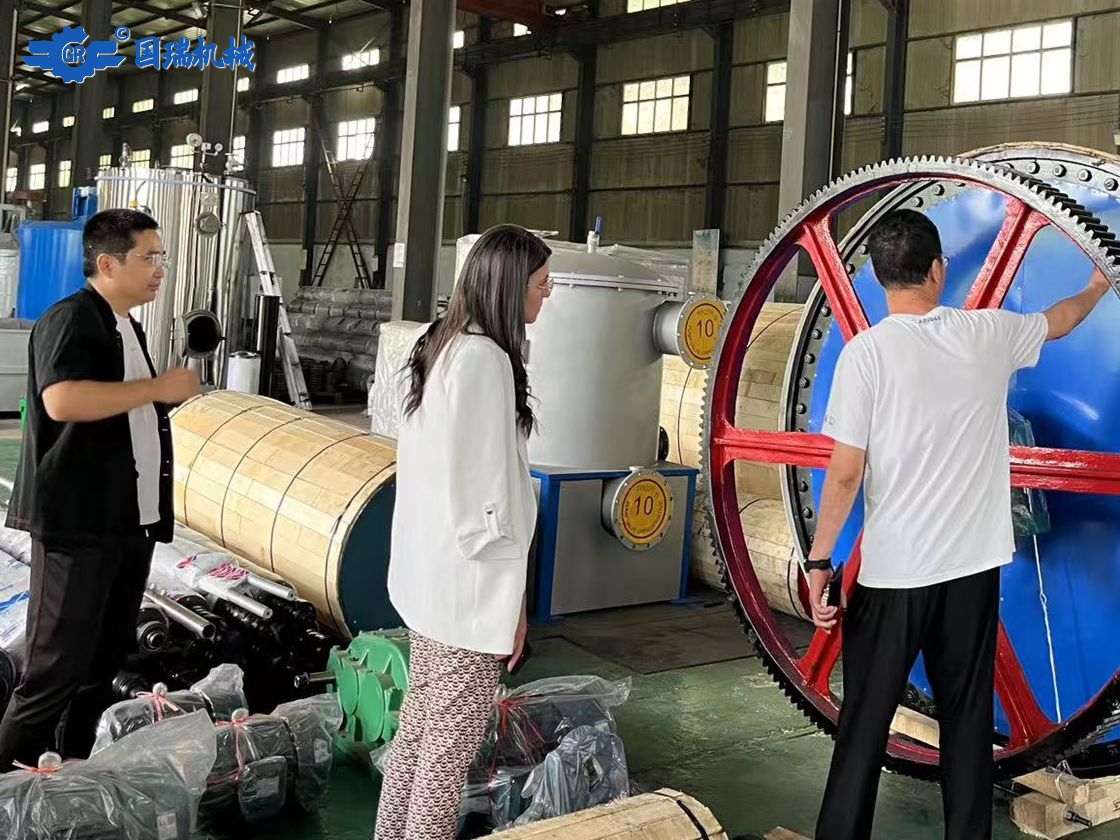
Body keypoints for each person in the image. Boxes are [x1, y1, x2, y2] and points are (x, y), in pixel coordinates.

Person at [807, 209, 1113, 840]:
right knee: (967, 722)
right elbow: (1060, 320)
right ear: (937, 270)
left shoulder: (866, 355)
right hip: (972, 573)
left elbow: (844, 475)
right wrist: (1097, 285)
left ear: (878, 277)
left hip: (895, 576)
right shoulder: (987, 333)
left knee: (864, 726)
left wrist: (818, 560)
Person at [0, 209, 200, 767]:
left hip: (128, 525)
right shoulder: (71, 318)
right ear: (108, 264)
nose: (160, 269)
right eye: (149, 257)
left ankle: (69, 779)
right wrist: (157, 388)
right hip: (78, 527)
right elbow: (62, 400)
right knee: (52, 673)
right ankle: (7, 791)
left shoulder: (126, 326)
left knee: (101, 665)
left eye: (162, 258)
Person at [374, 224, 552, 840]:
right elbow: (485, 504)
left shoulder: (443, 343)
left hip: (432, 581)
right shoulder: (484, 360)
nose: (548, 293)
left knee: (419, 730)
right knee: (447, 755)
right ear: (508, 285)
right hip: (468, 593)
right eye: (541, 282)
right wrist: (511, 603)